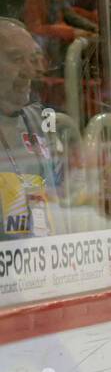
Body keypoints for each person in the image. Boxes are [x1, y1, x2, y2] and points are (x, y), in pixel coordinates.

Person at [0, 16, 60, 241]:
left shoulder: (40, 120)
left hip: (43, 262)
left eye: (32, 59)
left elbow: (68, 192)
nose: (29, 71)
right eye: (16, 59)